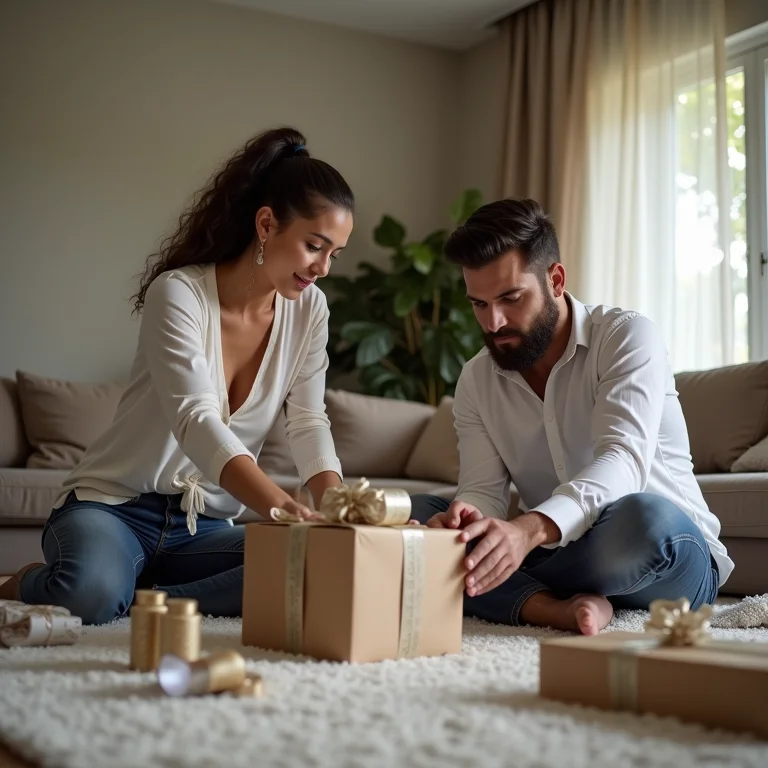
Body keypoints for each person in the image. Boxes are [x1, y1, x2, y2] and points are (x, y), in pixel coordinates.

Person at [0, 127, 354, 624]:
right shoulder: (179, 294)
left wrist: (338, 508)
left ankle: (147, 599)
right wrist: (280, 507)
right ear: (268, 224)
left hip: (205, 525)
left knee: (313, 565)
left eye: (334, 254)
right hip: (114, 507)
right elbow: (196, 419)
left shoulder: (310, 310)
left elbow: (308, 421)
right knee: (90, 595)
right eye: (315, 246)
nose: (323, 268)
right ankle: (31, 581)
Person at [410, 198, 732, 635]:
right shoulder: (476, 379)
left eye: (510, 298)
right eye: (479, 304)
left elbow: (622, 460)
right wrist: (468, 520)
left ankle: (505, 588)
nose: (493, 322)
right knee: (415, 513)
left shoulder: (627, 337)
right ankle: (553, 608)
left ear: (555, 279)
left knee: (645, 520)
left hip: (663, 553)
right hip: (558, 551)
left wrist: (524, 532)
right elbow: (483, 491)